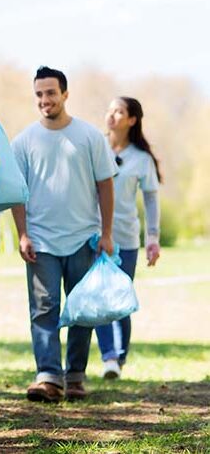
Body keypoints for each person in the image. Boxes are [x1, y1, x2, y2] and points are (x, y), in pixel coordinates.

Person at [11, 66, 117, 403]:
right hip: (41, 241)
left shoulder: (89, 137)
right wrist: (23, 234)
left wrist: (107, 233)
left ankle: (75, 376)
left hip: (83, 238)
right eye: (39, 94)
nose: (45, 100)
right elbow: (17, 192)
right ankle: (48, 376)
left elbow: (106, 185)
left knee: (81, 311)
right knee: (44, 308)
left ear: (65, 94)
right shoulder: (24, 141)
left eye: (51, 93)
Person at [95, 96, 161, 380]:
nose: (112, 116)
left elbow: (151, 200)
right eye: (109, 110)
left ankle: (119, 358)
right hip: (93, 236)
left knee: (120, 299)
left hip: (127, 238)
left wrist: (153, 238)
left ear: (132, 120)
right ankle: (108, 356)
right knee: (99, 298)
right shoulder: (95, 147)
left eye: (119, 112)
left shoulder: (141, 159)